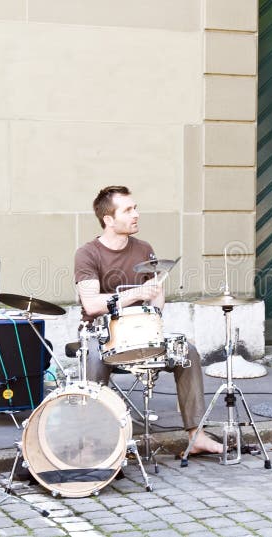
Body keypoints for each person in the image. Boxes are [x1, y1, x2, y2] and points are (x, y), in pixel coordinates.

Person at [74, 186, 223, 455]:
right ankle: (92, 442)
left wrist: (155, 304)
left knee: (187, 352)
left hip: (141, 332)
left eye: (135, 208)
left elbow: (156, 298)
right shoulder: (87, 253)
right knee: (94, 358)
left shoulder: (144, 249)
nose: (136, 214)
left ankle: (196, 435)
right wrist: (136, 294)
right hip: (101, 335)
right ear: (108, 219)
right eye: (128, 210)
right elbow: (92, 304)